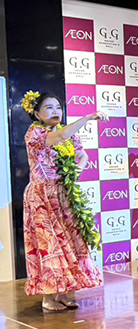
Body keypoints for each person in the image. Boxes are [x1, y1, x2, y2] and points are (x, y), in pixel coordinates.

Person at [21, 91, 106, 312]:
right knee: (49, 244)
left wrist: (76, 170)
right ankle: (48, 297)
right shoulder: (35, 133)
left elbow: (83, 155)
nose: (55, 111)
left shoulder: (65, 133)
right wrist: (88, 117)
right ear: (37, 114)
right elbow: (59, 137)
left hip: (63, 194)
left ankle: (66, 292)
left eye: (58, 107)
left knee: (70, 242)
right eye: (49, 108)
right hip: (42, 196)